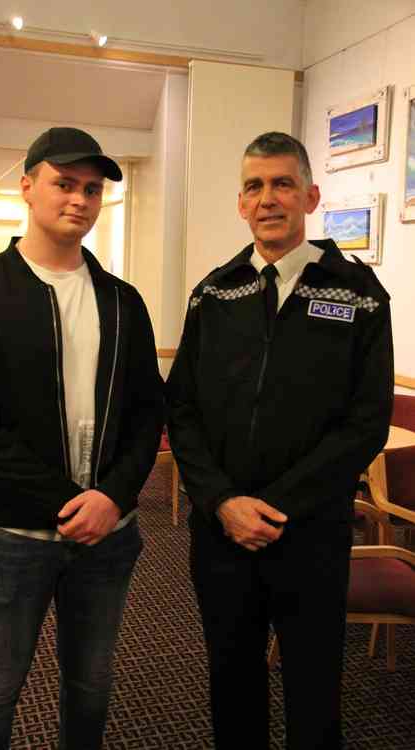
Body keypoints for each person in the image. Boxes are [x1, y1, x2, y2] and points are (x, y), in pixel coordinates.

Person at [0, 126, 164, 750]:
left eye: (92, 189)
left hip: (108, 539)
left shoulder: (122, 302)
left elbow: (148, 414)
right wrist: (70, 501)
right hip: (9, 538)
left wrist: (110, 499)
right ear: (28, 185)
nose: (80, 200)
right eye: (65, 183)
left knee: (91, 683)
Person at [166, 131, 393, 749]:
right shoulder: (215, 292)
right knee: (232, 679)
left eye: (283, 183)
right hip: (221, 534)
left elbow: (366, 420)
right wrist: (221, 501)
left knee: (314, 687)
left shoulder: (358, 294)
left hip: (310, 534)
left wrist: (281, 505)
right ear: (241, 203)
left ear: (310, 196)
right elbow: (181, 408)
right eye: (254, 186)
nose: (268, 198)